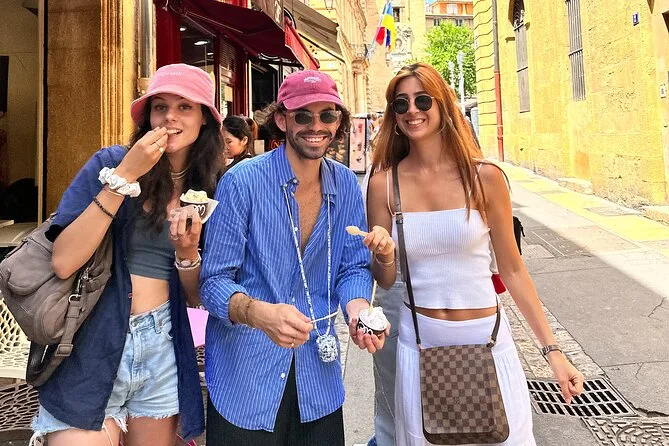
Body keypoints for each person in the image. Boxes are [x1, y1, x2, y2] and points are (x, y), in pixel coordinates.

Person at [361, 62, 584, 445]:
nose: (412, 110)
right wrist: (383, 254)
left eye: (422, 100)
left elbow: (513, 271)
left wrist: (553, 352)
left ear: (443, 105)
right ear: (394, 116)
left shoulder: (485, 177)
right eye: (401, 104)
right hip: (420, 342)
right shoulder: (384, 184)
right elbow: (386, 279)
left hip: (488, 341)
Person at [30, 63, 223, 446]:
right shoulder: (110, 163)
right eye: (160, 106)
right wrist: (123, 178)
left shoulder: (213, 187)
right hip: (93, 339)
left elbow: (196, 297)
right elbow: (64, 260)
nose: (170, 117)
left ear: (205, 118)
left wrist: (187, 253)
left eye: (185, 107)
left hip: (164, 343)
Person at [200, 69, 388, 446]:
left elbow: (352, 266)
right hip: (246, 374)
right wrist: (258, 313)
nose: (316, 126)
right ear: (283, 120)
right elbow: (213, 282)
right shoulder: (241, 181)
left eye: (327, 115)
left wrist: (357, 310)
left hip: (317, 375)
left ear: (338, 122)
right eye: (303, 115)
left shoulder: (346, 184)